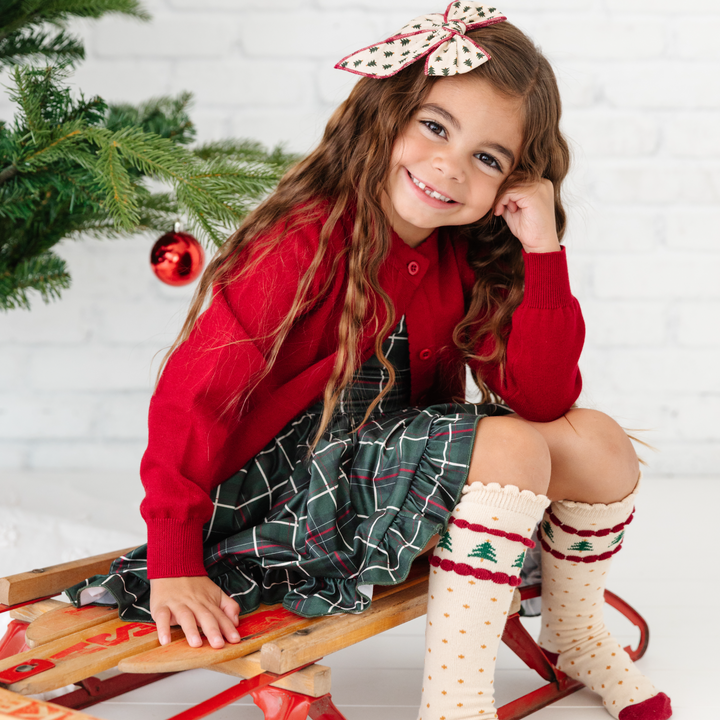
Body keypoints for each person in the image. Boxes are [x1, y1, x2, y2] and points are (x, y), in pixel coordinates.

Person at [68, 4, 671, 719]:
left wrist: (542, 254)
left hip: (383, 480)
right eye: (435, 126)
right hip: (287, 499)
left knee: (597, 440)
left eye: (487, 158)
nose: (449, 165)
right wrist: (173, 558)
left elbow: (543, 395)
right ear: (388, 111)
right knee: (506, 443)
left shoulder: (465, 251)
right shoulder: (304, 241)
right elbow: (190, 398)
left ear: (512, 182)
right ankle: (456, 704)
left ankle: (572, 630)